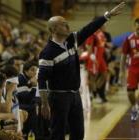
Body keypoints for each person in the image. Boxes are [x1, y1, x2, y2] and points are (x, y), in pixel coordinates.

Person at [37, 2, 125, 140]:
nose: (68, 26)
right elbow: (41, 79)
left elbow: (89, 28)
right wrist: (44, 103)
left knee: (78, 133)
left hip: (75, 95)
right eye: (64, 24)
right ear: (54, 29)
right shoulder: (48, 53)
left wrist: (107, 16)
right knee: (57, 134)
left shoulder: (72, 40)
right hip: (58, 97)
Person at [119, 18, 139, 122]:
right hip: (133, 69)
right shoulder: (129, 39)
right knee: (130, 93)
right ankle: (135, 107)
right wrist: (121, 71)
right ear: (134, 27)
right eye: (138, 28)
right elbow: (123, 56)